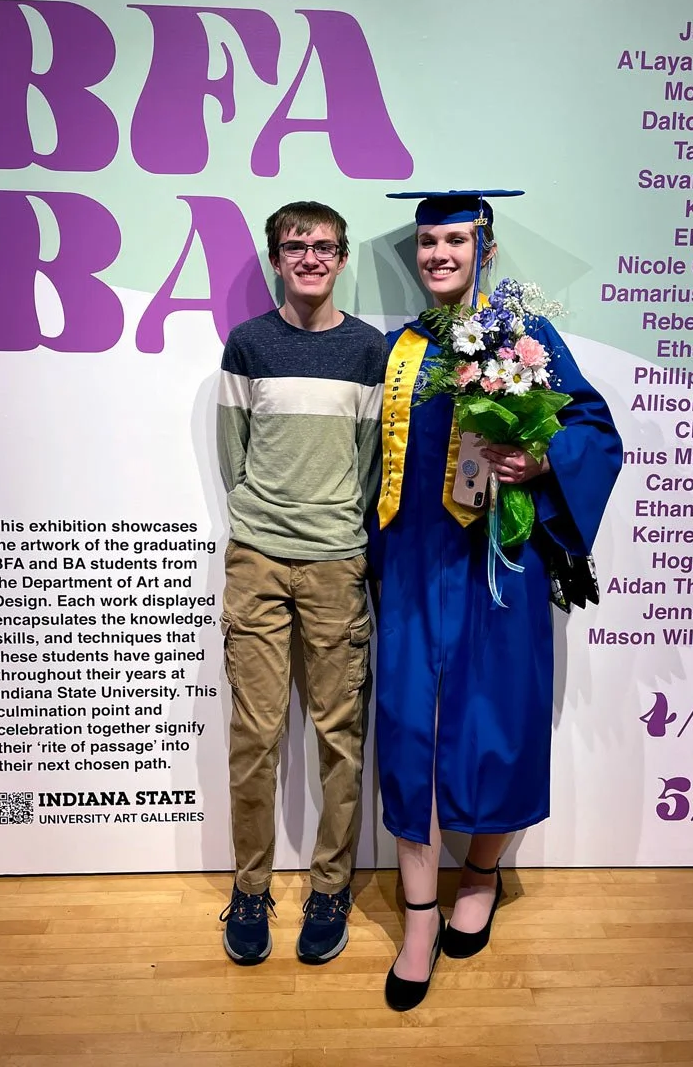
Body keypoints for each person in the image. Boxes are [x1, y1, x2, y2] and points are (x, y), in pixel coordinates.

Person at [369, 190, 622, 1010]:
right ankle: (417, 919)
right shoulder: (399, 348)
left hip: (495, 566)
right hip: (412, 566)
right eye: (427, 240)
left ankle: (481, 875)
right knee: (412, 732)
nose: (438, 252)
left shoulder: (523, 335)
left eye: (454, 238)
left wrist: (543, 463)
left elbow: (593, 429)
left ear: (486, 247)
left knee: (495, 727)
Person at [217, 200, 388, 966]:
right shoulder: (247, 343)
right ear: (275, 257)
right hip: (256, 558)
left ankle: (329, 888)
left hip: (336, 560)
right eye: (297, 245)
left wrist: (336, 534)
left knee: (338, 738)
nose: (311, 257)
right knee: (254, 736)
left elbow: (374, 459)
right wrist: (267, 521)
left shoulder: (368, 349)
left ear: (342, 257)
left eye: (324, 246)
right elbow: (234, 455)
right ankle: (249, 890)